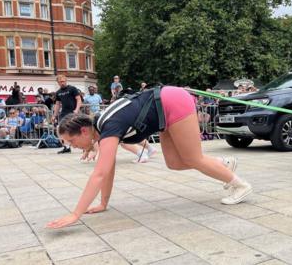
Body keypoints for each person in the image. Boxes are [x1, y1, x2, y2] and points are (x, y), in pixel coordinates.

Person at [46, 86, 252, 229]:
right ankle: (223, 165)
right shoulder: (100, 129)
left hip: (172, 102)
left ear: (83, 131)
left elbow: (99, 174)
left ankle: (241, 185)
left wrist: (75, 214)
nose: (73, 147)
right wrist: (103, 204)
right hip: (162, 108)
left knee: (193, 158)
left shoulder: (107, 128)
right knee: (173, 162)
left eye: (71, 142)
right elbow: (107, 169)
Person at [52, 75, 82, 154]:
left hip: (73, 112)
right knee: (59, 129)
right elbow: (57, 104)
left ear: (66, 81)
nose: (62, 83)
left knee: (78, 129)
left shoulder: (72, 89)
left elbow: (79, 99)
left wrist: (76, 110)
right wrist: (54, 115)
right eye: (60, 82)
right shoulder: (58, 92)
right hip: (64, 113)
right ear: (58, 83)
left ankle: (86, 145)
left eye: (63, 81)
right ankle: (66, 147)